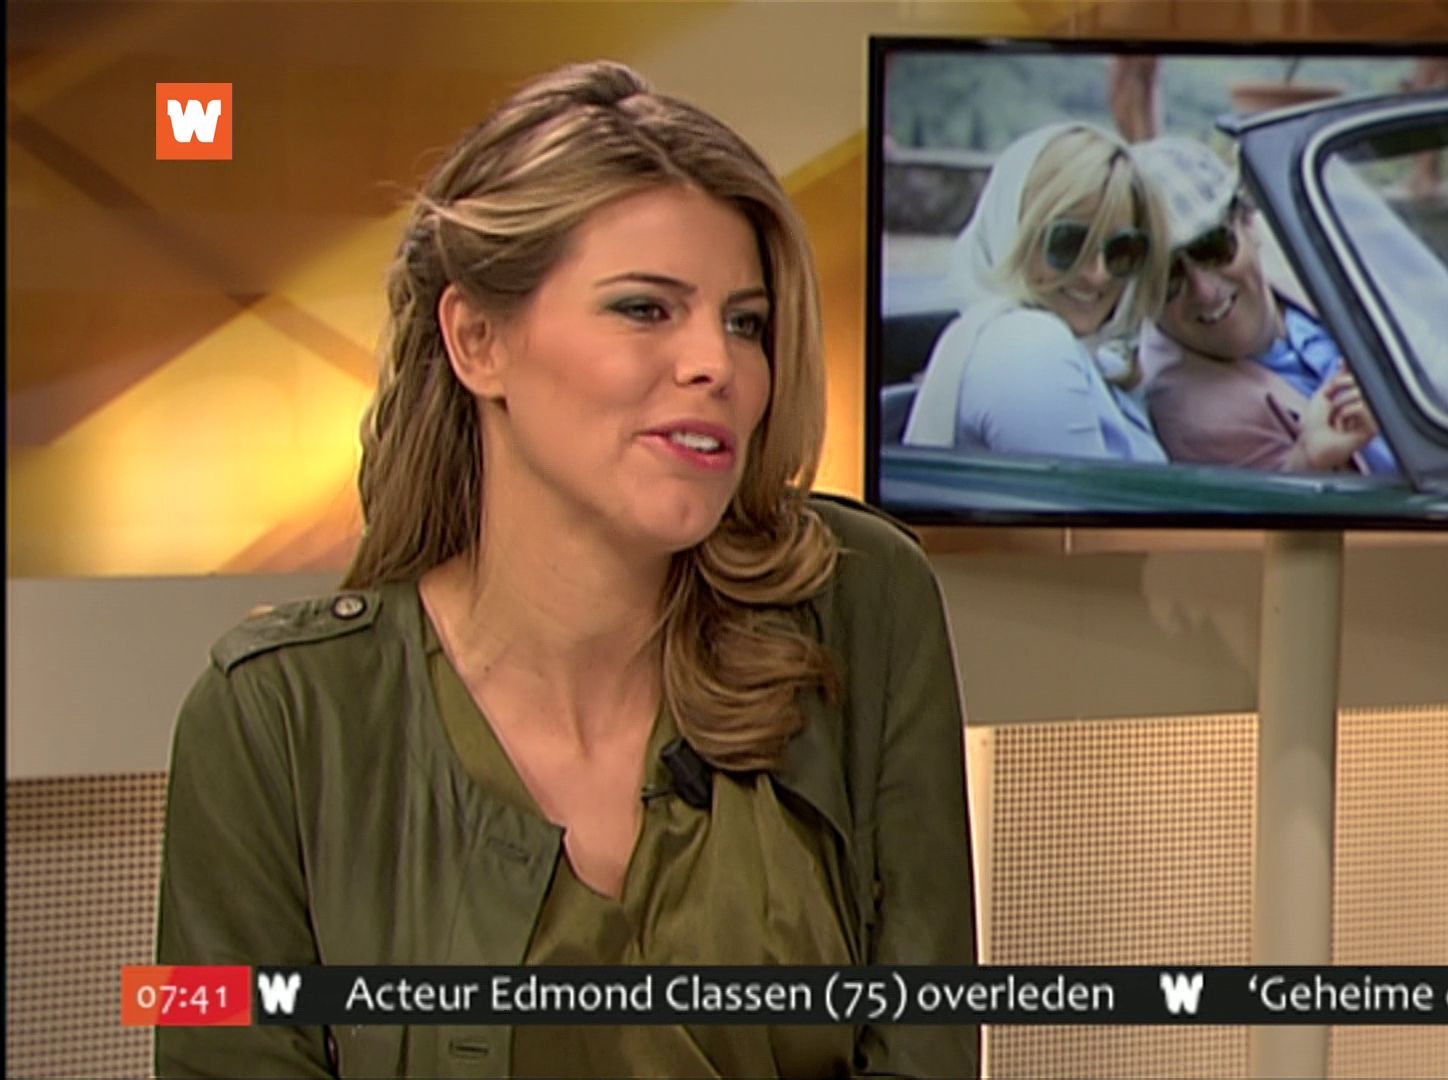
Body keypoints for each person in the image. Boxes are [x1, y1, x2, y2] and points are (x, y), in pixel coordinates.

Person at [154, 62, 976, 1079]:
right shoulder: (277, 720)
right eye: (645, 309)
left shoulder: (859, 607)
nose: (716, 364)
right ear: (478, 341)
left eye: (745, 322)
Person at [902, 122, 1169, 463]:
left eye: (1122, 250)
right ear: (1015, 232)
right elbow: (1079, 496)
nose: (1098, 274)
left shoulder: (1096, 359)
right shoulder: (1028, 347)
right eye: (1069, 242)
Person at [1132, 136, 1399, 476]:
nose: (1205, 291)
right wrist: (1307, 460)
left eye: (1212, 247)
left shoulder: (1304, 253)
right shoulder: (1197, 419)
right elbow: (1280, 503)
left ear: (1249, 222)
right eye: (1167, 276)